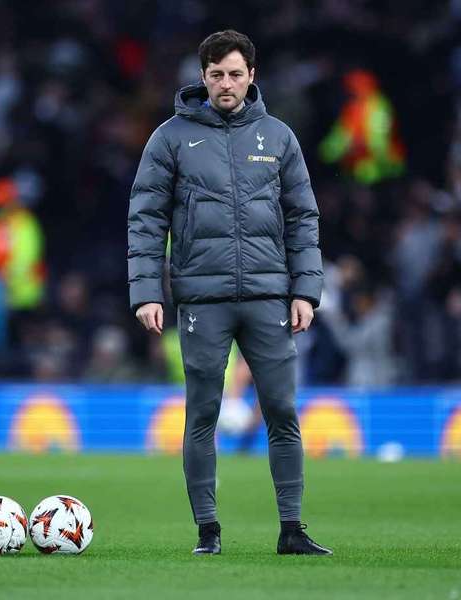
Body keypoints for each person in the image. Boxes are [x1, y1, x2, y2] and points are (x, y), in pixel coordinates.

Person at [127, 30, 331, 556]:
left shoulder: (279, 137)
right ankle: (208, 533)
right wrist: (148, 292)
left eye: (235, 74)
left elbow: (303, 217)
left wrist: (306, 290)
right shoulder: (169, 138)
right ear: (202, 77)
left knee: (282, 412)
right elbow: (145, 220)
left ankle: (292, 529)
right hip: (202, 300)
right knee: (202, 416)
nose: (226, 84)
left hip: (269, 296)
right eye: (216, 74)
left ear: (252, 76)